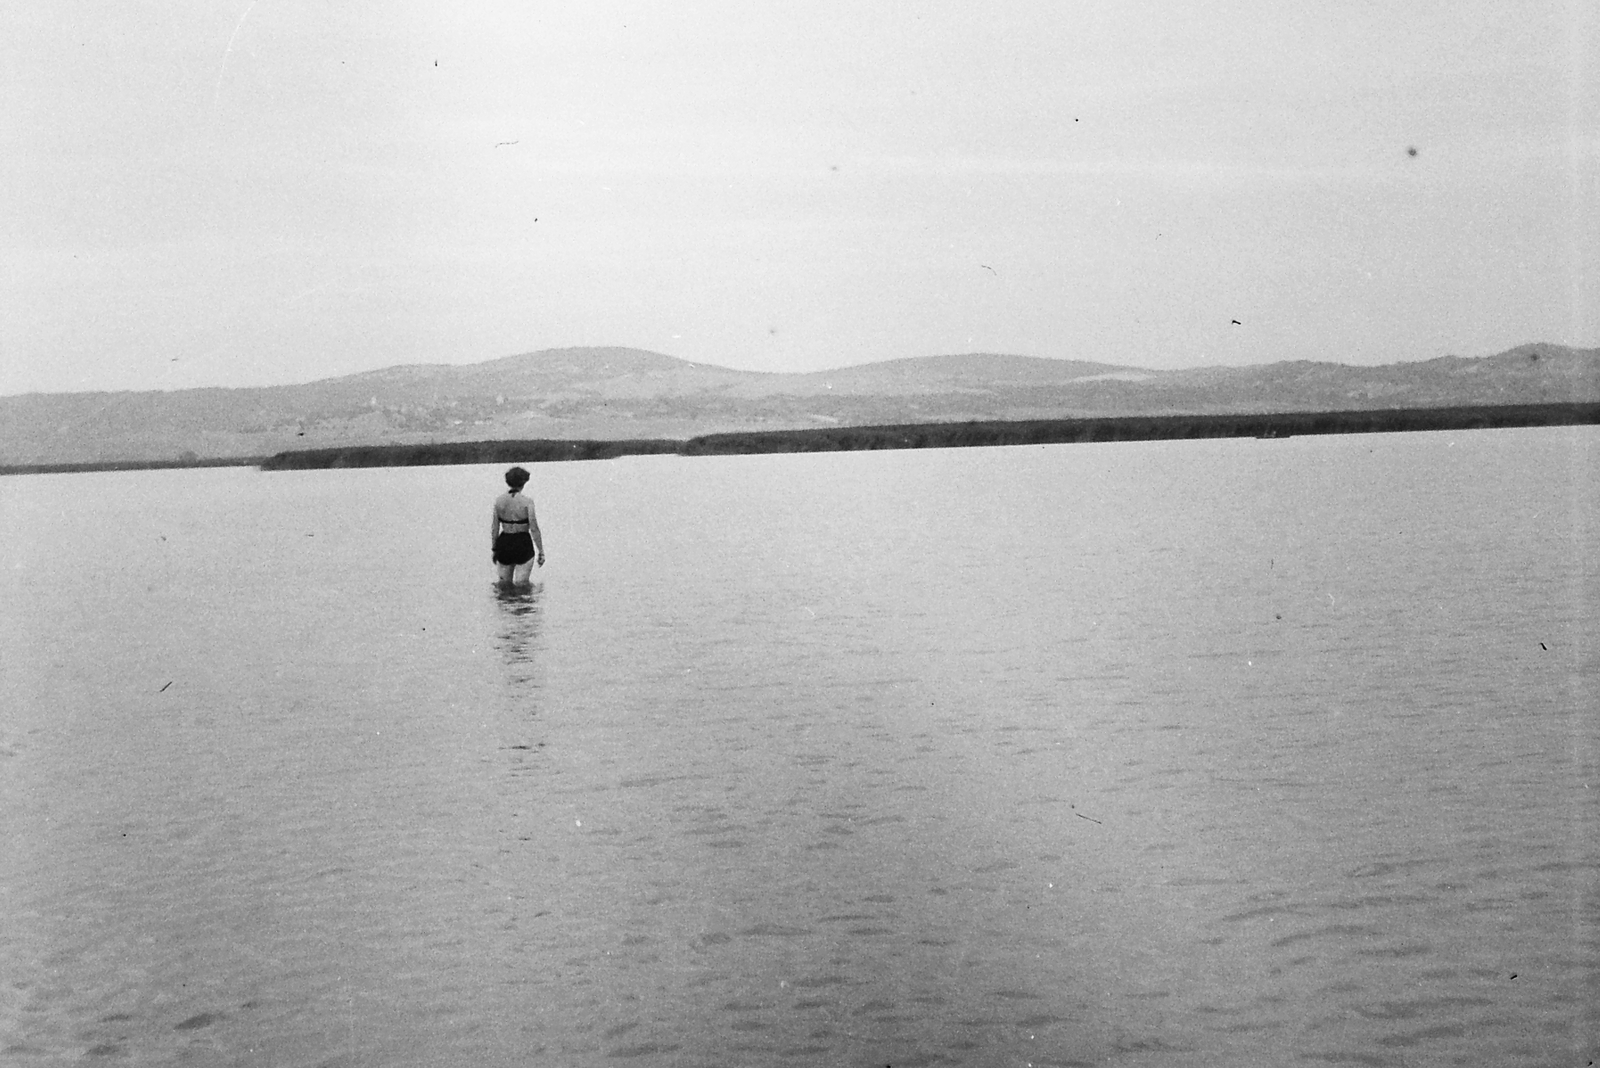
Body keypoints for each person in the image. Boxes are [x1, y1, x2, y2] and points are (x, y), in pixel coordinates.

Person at [491, 466, 544, 585]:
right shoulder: (527, 502)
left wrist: (494, 549)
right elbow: (534, 528)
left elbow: (495, 528)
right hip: (522, 543)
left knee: (503, 584)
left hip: (504, 543)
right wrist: (541, 551)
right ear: (523, 482)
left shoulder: (499, 501)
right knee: (522, 584)